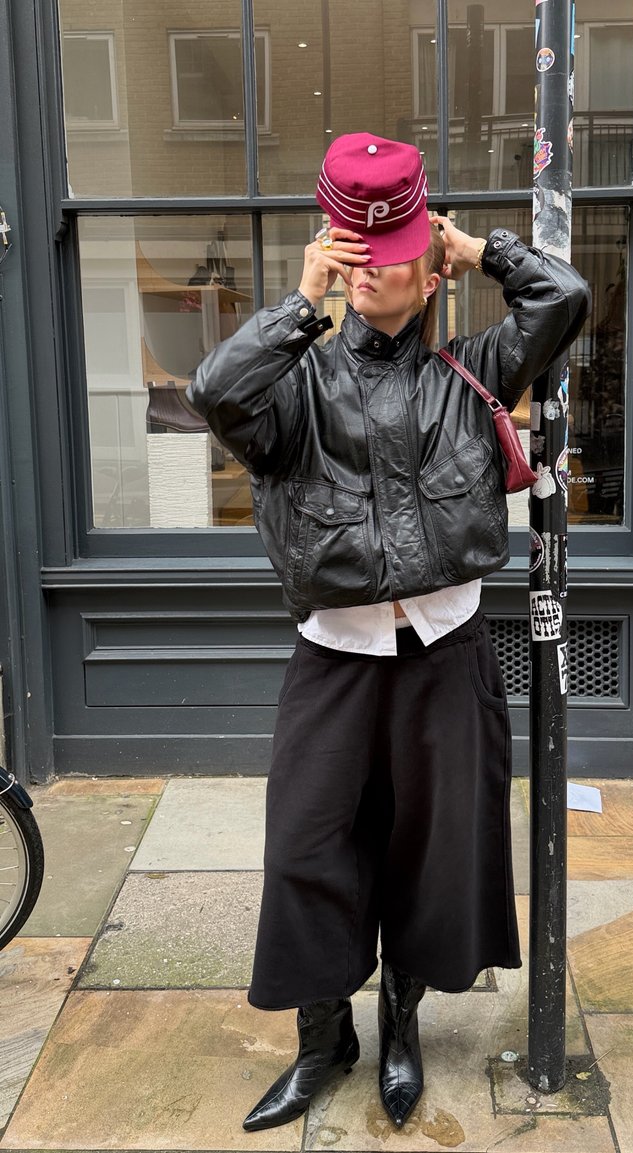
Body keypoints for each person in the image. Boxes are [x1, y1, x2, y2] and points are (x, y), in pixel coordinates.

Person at [186, 132, 590, 1134]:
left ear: (426, 262)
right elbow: (213, 393)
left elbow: (565, 300)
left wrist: (480, 247)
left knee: (428, 848)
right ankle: (322, 1039)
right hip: (333, 659)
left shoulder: (475, 366)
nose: (369, 270)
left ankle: (398, 1023)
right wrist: (298, 301)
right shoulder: (297, 384)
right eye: (351, 253)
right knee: (307, 847)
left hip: (444, 657)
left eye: (392, 251)